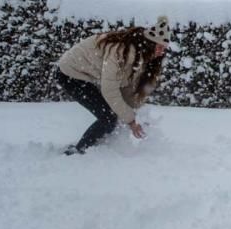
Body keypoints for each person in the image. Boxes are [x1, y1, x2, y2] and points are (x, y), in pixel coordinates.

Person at [56, 16, 170, 155]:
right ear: (149, 43)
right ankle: (79, 151)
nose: (161, 52)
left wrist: (136, 116)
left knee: (112, 117)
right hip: (70, 74)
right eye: (159, 47)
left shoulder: (139, 54)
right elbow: (110, 89)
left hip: (84, 75)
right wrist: (130, 120)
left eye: (164, 49)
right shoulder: (122, 52)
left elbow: (126, 86)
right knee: (108, 118)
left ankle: (95, 148)